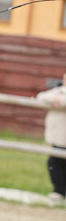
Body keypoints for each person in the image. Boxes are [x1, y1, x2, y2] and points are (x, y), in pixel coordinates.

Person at [38, 72, 66, 204]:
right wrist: (56, 100)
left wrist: (59, 101)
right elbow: (41, 97)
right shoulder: (59, 91)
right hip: (59, 138)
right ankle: (59, 192)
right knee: (54, 164)